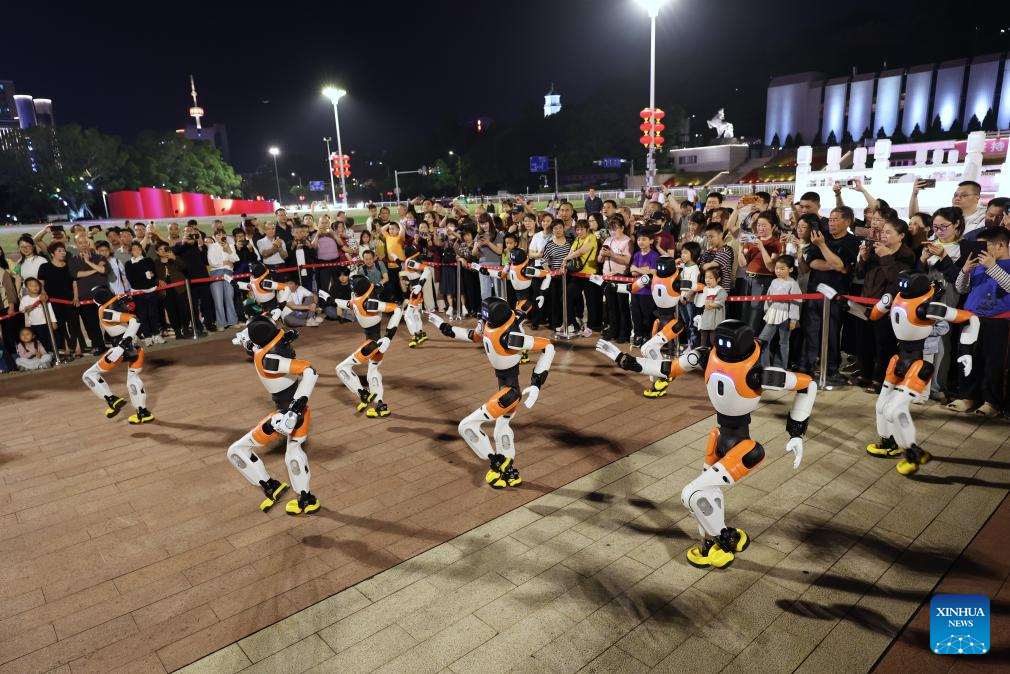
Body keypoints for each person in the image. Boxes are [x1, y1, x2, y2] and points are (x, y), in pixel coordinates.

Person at [598, 319, 816, 568]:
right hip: (720, 438)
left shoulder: (760, 374)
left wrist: (796, 432)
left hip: (746, 450)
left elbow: (807, 384)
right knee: (707, 495)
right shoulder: (705, 356)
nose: (723, 346)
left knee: (691, 494)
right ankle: (713, 543)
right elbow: (668, 368)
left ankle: (726, 539)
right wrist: (625, 361)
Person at [427, 298, 554, 489]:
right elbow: (473, 335)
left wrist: (536, 384)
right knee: (501, 428)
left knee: (466, 426)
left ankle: (497, 463)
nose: (484, 318)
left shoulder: (511, 338)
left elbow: (548, 346)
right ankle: (509, 471)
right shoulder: (495, 323)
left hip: (510, 394)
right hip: (506, 388)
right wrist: (443, 326)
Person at [866, 272, 977, 475]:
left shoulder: (930, 308)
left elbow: (971, 318)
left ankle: (913, 453)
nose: (902, 286)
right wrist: (843, 303)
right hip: (899, 360)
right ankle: (888, 443)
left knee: (894, 410)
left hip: (918, 365)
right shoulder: (895, 298)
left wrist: (966, 351)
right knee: (881, 406)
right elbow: (872, 315)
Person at [227, 315, 320, 515]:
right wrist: (245, 340)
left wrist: (294, 409)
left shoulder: (271, 360)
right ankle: (306, 499)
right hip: (296, 413)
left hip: (286, 416)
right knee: (294, 453)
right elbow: (253, 345)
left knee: (236, 451)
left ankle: (272, 487)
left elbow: (310, 371)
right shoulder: (272, 346)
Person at [949, 227, 1010, 416]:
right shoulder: (979, 265)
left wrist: (992, 267)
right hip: (971, 318)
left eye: (984, 246)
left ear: (1000, 245)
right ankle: (967, 397)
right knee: (967, 359)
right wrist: (965, 271)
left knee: (994, 362)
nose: (979, 250)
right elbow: (961, 289)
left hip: (999, 320)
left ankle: (992, 402)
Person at [797, 206, 860, 385]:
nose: (831, 223)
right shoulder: (820, 236)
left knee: (833, 332)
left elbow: (843, 266)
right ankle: (806, 367)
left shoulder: (852, 241)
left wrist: (823, 246)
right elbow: (813, 263)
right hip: (815, 292)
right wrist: (834, 264)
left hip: (836, 295)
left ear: (847, 222)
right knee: (811, 330)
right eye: (830, 219)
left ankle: (832, 369)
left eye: (835, 219)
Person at [855, 219, 916, 391]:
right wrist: (864, 258)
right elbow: (860, 274)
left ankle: (880, 379)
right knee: (864, 341)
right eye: (883, 232)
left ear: (901, 236)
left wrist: (886, 257)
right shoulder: (876, 249)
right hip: (866, 302)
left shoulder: (906, 255)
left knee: (884, 344)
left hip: (887, 306)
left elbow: (896, 280)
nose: (883, 235)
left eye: (888, 232)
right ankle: (865, 374)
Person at [332, 274, 403, 418]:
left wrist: (388, 337)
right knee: (373, 372)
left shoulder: (370, 303)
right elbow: (349, 304)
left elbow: (397, 309)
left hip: (372, 345)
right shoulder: (359, 296)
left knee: (341, 368)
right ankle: (380, 406)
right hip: (375, 344)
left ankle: (363, 394)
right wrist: (331, 300)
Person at [80, 286, 154, 424]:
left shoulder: (106, 312)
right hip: (136, 347)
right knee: (133, 378)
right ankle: (143, 413)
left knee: (89, 375)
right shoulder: (116, 302)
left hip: (122, 349)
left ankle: (112, 400)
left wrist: (122, 345)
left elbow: (135, 320)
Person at [738, 211, 783, 331]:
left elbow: (771, 267)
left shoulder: (776, 243)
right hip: (747, 279)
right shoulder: (751, 241)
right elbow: (743, 264)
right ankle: (743, 339)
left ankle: (754, 340)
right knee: (744, 312)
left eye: (764, 225)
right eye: (758, 225)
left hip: (763, 280)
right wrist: (741, 247)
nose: (760, 228)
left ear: (773, 227)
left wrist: (762, 248)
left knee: (755, 313)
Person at [757, 256, 801, 368]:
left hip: (786, 316)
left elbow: (795, 302)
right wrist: (767, 311)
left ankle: (781, 366)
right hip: (772, 314)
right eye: (777, 268)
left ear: (790, 269)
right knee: (763, 340)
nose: (778, 271)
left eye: (782, 268)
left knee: (784, 342)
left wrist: (793, 320)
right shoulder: (774, 282)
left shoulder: (793, 284)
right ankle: (765, 365)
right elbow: (768, 298)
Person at [69, 234, 108, 354]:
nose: (83, 245)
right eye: (80, 243)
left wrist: (88, 262)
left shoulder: (99, 256)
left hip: (102, 294)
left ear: (89, 243)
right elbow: (76, 274)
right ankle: (99, 346)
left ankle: (115, 341)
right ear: (76, 245)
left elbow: (104, 270)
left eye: (85, 242)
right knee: (92, 324)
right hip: (86, 297)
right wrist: (96, 269)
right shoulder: (73, 260)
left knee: (109, 319)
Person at [563, 219, 601, 336]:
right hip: (577, 274)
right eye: (577, 229)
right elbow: (571, 252)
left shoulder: (591, 237)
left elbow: (582, 251)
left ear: (587, 229)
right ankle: (573, 323)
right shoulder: (577, 239)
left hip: (590, 275)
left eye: (582, 229)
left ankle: (592, 326)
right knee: (566, 296)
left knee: (591, 302)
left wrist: (567, 258)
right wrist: (565, 261)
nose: (579, 232)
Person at [599, 215, 633, 343]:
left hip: (621, 277)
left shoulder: (627, 241)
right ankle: (613, 331)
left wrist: (612, 254)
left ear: (622, 228)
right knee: (611, 307)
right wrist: (602, 255)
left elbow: (627, 260)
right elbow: (599, 260)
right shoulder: (608, 240)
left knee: (622, 307)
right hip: (607, 277)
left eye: (615, 229)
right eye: (611, 229)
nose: (612, 232)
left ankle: (624, 333)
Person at [911, 179, 986, 233]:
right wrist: (914, 194)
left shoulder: (985, 217)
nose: (957, 198)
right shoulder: (945, 214)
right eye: (955, 195)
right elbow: (914, 216)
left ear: (977, 198)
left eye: (964, 195)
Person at [124, 241, 163, 345]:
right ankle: (147, 337)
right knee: (142, 315)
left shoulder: (148, 260)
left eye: (138, 248)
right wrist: (144, 276)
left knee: (153, 313)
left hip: (151, 291)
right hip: (138, 293)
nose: (137, 251)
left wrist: (149, 275)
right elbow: (132, 279)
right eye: (134, 249)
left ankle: (156, 334)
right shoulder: (128, 264)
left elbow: (153, 275)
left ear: (141, 250)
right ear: (131, 252)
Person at [629, 230, 659, 347]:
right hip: (636, 290)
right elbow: (632, 272)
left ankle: (647, 336)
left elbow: (653, 272)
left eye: (644, 239)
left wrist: (638, 269)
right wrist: (644, 270)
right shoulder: (636, 255)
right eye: (639, 239)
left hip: (648, 292)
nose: (640, 242)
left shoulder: (654, 255)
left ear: (651, 241)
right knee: (636, 315)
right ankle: (638, 335)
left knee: (647, 316)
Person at [207, 229, 240, 329]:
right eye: (218, 235)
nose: (220, 236)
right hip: (216, 273)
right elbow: (212, 262)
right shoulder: (212, 247)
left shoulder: (230, 245)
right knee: (218, 300)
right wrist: (224, 262)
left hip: (228, 273)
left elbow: (235, 259)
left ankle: (233, 321)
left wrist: (228, 249)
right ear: (215, 237)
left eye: (222, 234)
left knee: (229, 297)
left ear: (225, 235)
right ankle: (221, 323)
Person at [18, 277, 57, 353]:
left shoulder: (43, 297)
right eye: (31, 285)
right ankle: (42, 354)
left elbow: (50, 310)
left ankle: (51, 353)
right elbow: (21, 310)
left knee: (49, 340)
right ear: (26, 288)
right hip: (34, 324)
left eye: (36, 285)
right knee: (39, 342)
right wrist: (26, 308)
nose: (35, 287)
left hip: (46, 323)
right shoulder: (25, 299)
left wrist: (53, 322)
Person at [697, 269, 727, 348]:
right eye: (706, 277)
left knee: (713, 340)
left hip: (715, 318)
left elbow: (718, 303)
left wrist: (709, 304)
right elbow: (702, 302)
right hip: (706, 317)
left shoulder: (721, 290)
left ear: (718, 279)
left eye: (711, 278)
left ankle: (716, 353)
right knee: (703, 338)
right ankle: (702, 352)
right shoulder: (705, 289)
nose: (707, 280)